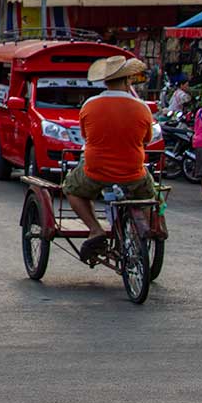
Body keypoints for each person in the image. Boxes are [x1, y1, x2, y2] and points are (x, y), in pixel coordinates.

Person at [61, 55, 156, 261]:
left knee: (71, 188)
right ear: (128, 79)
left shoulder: (90, 105)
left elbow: (87, 137)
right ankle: (149, 230)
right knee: (151, 194)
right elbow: (146, 139)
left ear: (105, 80)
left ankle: (95, 229)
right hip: (133, 171)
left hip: (96, 170)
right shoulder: (142, 107)